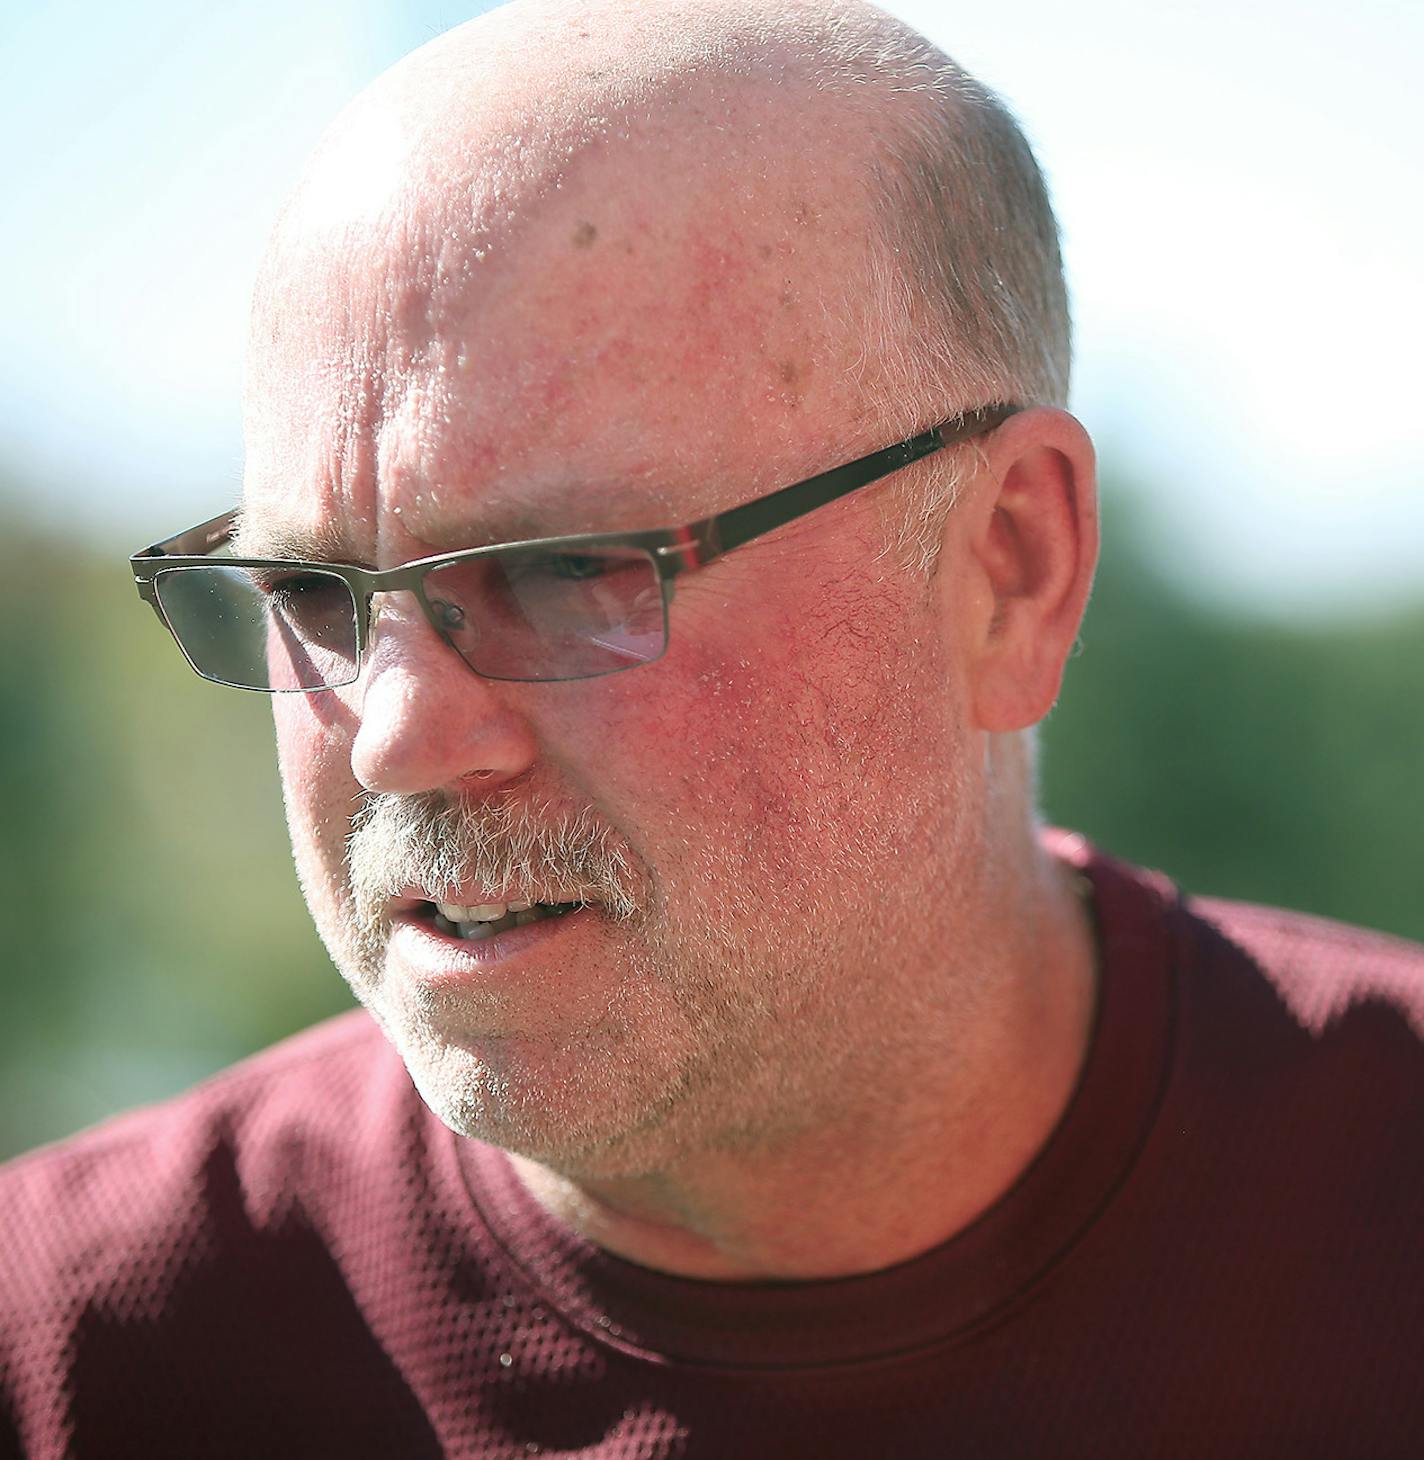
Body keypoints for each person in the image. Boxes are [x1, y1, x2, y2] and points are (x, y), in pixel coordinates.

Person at [4, 0, 1421, 1454]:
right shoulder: (70, 1355)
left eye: (566, 570)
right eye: (312, 590)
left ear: (1011, 570)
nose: (397, 739)